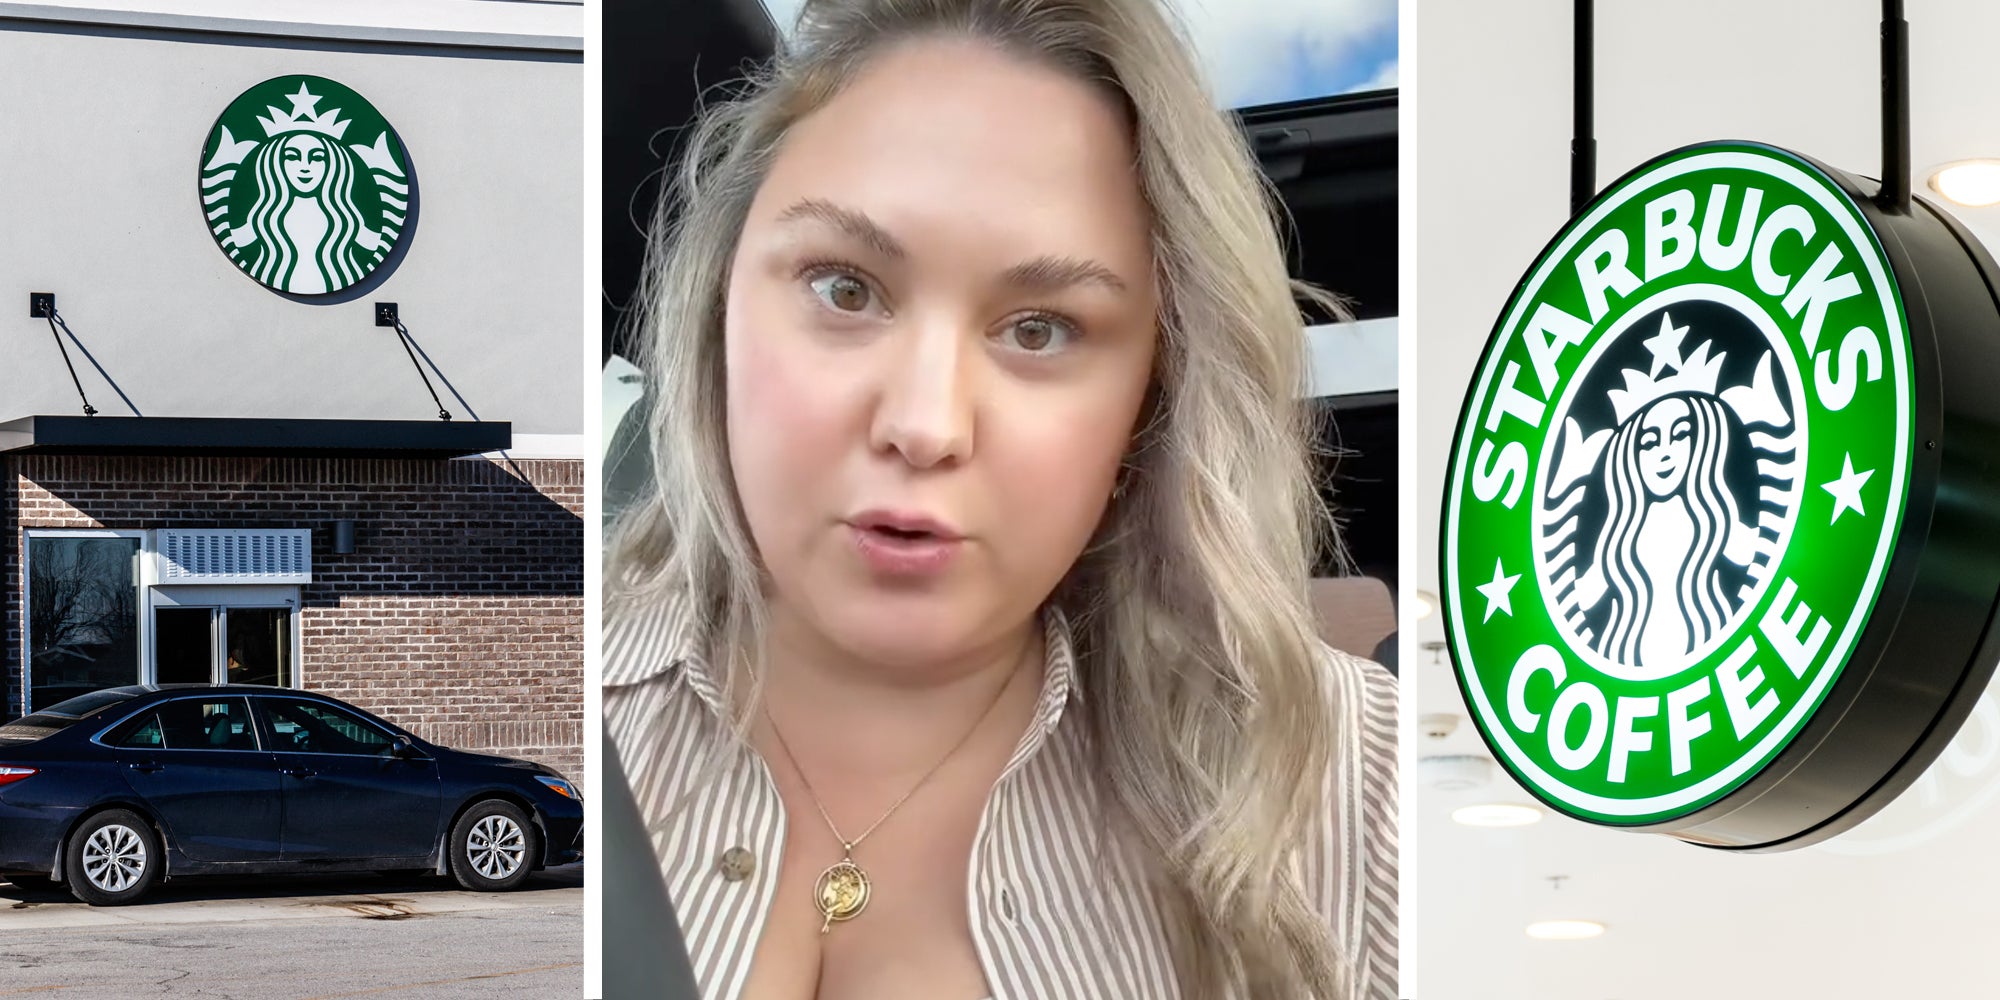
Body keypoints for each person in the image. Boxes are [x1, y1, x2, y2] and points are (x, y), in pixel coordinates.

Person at [602, 1, 1397, 997]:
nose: (925, 425)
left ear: (1148, 404)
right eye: (845, 288)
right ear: (719, 306)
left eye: (1039, 330)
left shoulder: (1362, 785)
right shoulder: (579, 703)